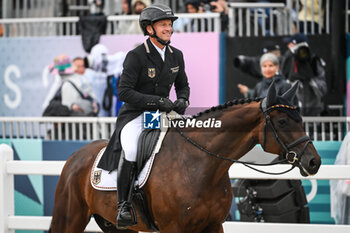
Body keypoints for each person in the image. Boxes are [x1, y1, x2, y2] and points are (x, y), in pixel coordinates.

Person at [97, 4, 190, 229]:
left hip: (165, 113)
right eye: (164, 25)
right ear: (149, 29)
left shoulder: (176, 55)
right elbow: (124, 92)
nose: (169, 29)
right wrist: (157, 101)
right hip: (137, 115)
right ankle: (124, 206)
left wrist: (183, 100)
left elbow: (183, 85)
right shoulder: (136, 56)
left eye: (170, 24)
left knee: (191, 140)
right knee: (130, 148)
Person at [281, 33, 327, 116]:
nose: (288, 46)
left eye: (291, 44)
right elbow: (282, 79)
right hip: (293, 111)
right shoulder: (289, 59)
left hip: (313, 110)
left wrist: (311, 80)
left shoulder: (313, 60)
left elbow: (323, 89)